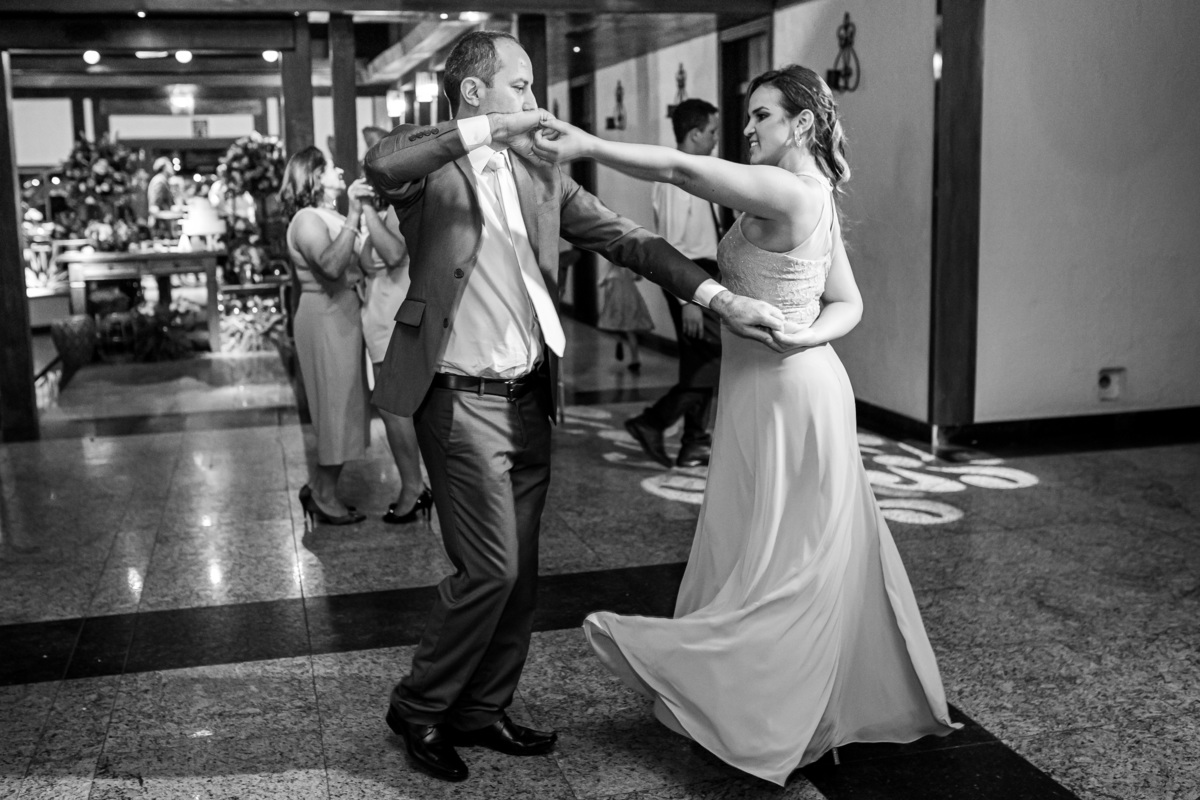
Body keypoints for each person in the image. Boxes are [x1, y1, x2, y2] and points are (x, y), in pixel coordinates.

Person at [362, 30, 785, 783]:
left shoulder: (540, 172)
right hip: (457, 398)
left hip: (529, 395)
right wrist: (498, 128)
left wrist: (717, 296)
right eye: (520, 86)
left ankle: (481, 709)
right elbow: (382, 162)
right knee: (489, 567)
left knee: (521, 575)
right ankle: (419, 706)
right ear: (474, 94)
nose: (535, 101)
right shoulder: (430, 171)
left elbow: (629, 240)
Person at [533, 64, 959, 786]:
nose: (750, 127)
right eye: (749, 115)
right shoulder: (813, 192)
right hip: (768, 390)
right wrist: (812, 332)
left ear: (801, 124)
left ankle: (763, 701)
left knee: (785, 558)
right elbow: (848, 301)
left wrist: (586, 145)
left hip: (792, 397)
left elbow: (678, 168)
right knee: (765, 545)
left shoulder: (790, 188)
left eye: (762, 115)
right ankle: (762, 688)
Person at [626, 98, 725, 468]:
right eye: (712, 132)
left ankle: (694, 442)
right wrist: (688, 302)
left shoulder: (699, 170)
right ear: (695, 133)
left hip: (703, 277)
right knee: (714, 357)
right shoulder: (673, 178)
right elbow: (669, 246)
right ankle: (652, 422)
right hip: (689, 278)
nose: (716, 139)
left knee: (700, 362)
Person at [280, 146, 372, 527]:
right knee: (334, 408)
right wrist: (353, 216)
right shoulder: (305, 219)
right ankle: (324, 496)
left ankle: (320, 485)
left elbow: (364, 262)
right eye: (331, 166)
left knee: (346, 405)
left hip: (344, 314)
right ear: (315, 176)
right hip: (323, 316)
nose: (340, 169)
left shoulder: (328, 214)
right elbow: (333, 267)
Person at [358, 126, 432, 525]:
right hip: (379, 316)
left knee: (393, 408)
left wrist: (367, 207)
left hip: (394, 317)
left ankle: (413, 488)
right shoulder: (389, 203)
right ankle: (414, 484)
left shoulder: (399, 203)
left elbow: (391, 253)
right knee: (393, 407)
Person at [596, 265, 653, 372]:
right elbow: (638, 277)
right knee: (630, 330)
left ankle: (619, 341)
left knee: (614, 324)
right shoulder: (629, 263)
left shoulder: (611, 265)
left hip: (616, 298)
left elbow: (600, 282)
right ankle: (635, 359)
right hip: (631, 297)